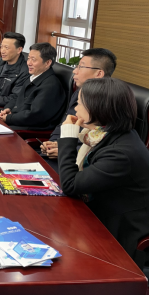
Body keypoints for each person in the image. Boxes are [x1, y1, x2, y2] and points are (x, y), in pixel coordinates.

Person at [58, 78, 149, 269]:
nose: (75, 108)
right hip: (95, 211)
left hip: (117, 232)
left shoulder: (121, 153)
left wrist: (67, 136)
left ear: (98, 108)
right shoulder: (101, 135)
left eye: (80, 104)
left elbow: (71, 184)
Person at [41, 48, 117, 164]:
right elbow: (65, 122)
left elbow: (100, 144)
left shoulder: (110, 101)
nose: (74, 71)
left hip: (79, 161)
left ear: (98, 73)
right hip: (62, 152)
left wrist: (66, 150)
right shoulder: (79, 92)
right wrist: (54, 143)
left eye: (80, 67)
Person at [0, 43, 66, 130]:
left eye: (33, 60)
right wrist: (9, 108)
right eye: (28, 58)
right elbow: (18, 97)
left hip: (31, 129)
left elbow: (35, 116)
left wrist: (9, 118)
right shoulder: (33, 77)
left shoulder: (51, 86)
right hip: (18, 120)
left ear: (47, 63)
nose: (29, 63)